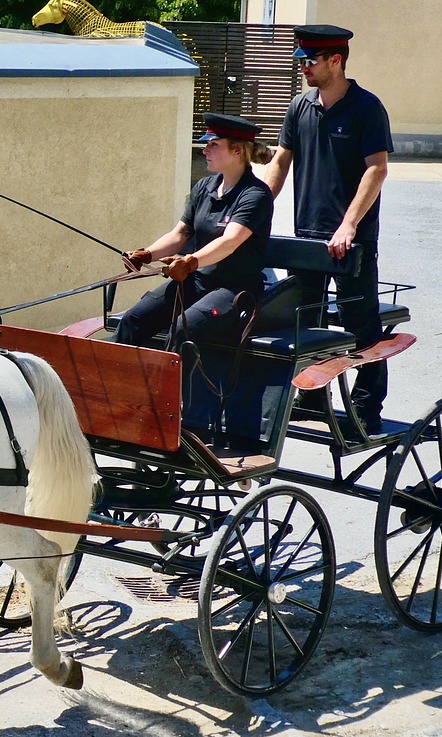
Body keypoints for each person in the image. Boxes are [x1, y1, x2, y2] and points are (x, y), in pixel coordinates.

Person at [262, 24, 394, 434]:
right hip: (307, 237)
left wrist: (349, 225)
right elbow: (281, 162)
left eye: (309, 60)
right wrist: (252, 209)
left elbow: (377, 169)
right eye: (300, 58)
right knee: (308, 320)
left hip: (350, 240)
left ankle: (366, 407)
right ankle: (313, 396)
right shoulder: (300, 107)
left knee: (360, 325)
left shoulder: (367, 108)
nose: (301, 66)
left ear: (335, 60)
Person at [112, 113, 274, 351]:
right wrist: (147, 254)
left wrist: (189, 263)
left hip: (234, 290)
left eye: (213, 145)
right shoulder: (204, 187)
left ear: (237, 151)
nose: (205, 150)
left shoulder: (255, 195)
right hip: (196, 282)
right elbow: (180, 234)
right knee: (132, 320)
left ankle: (169, 388)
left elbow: (229, 242)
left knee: (182, 332)